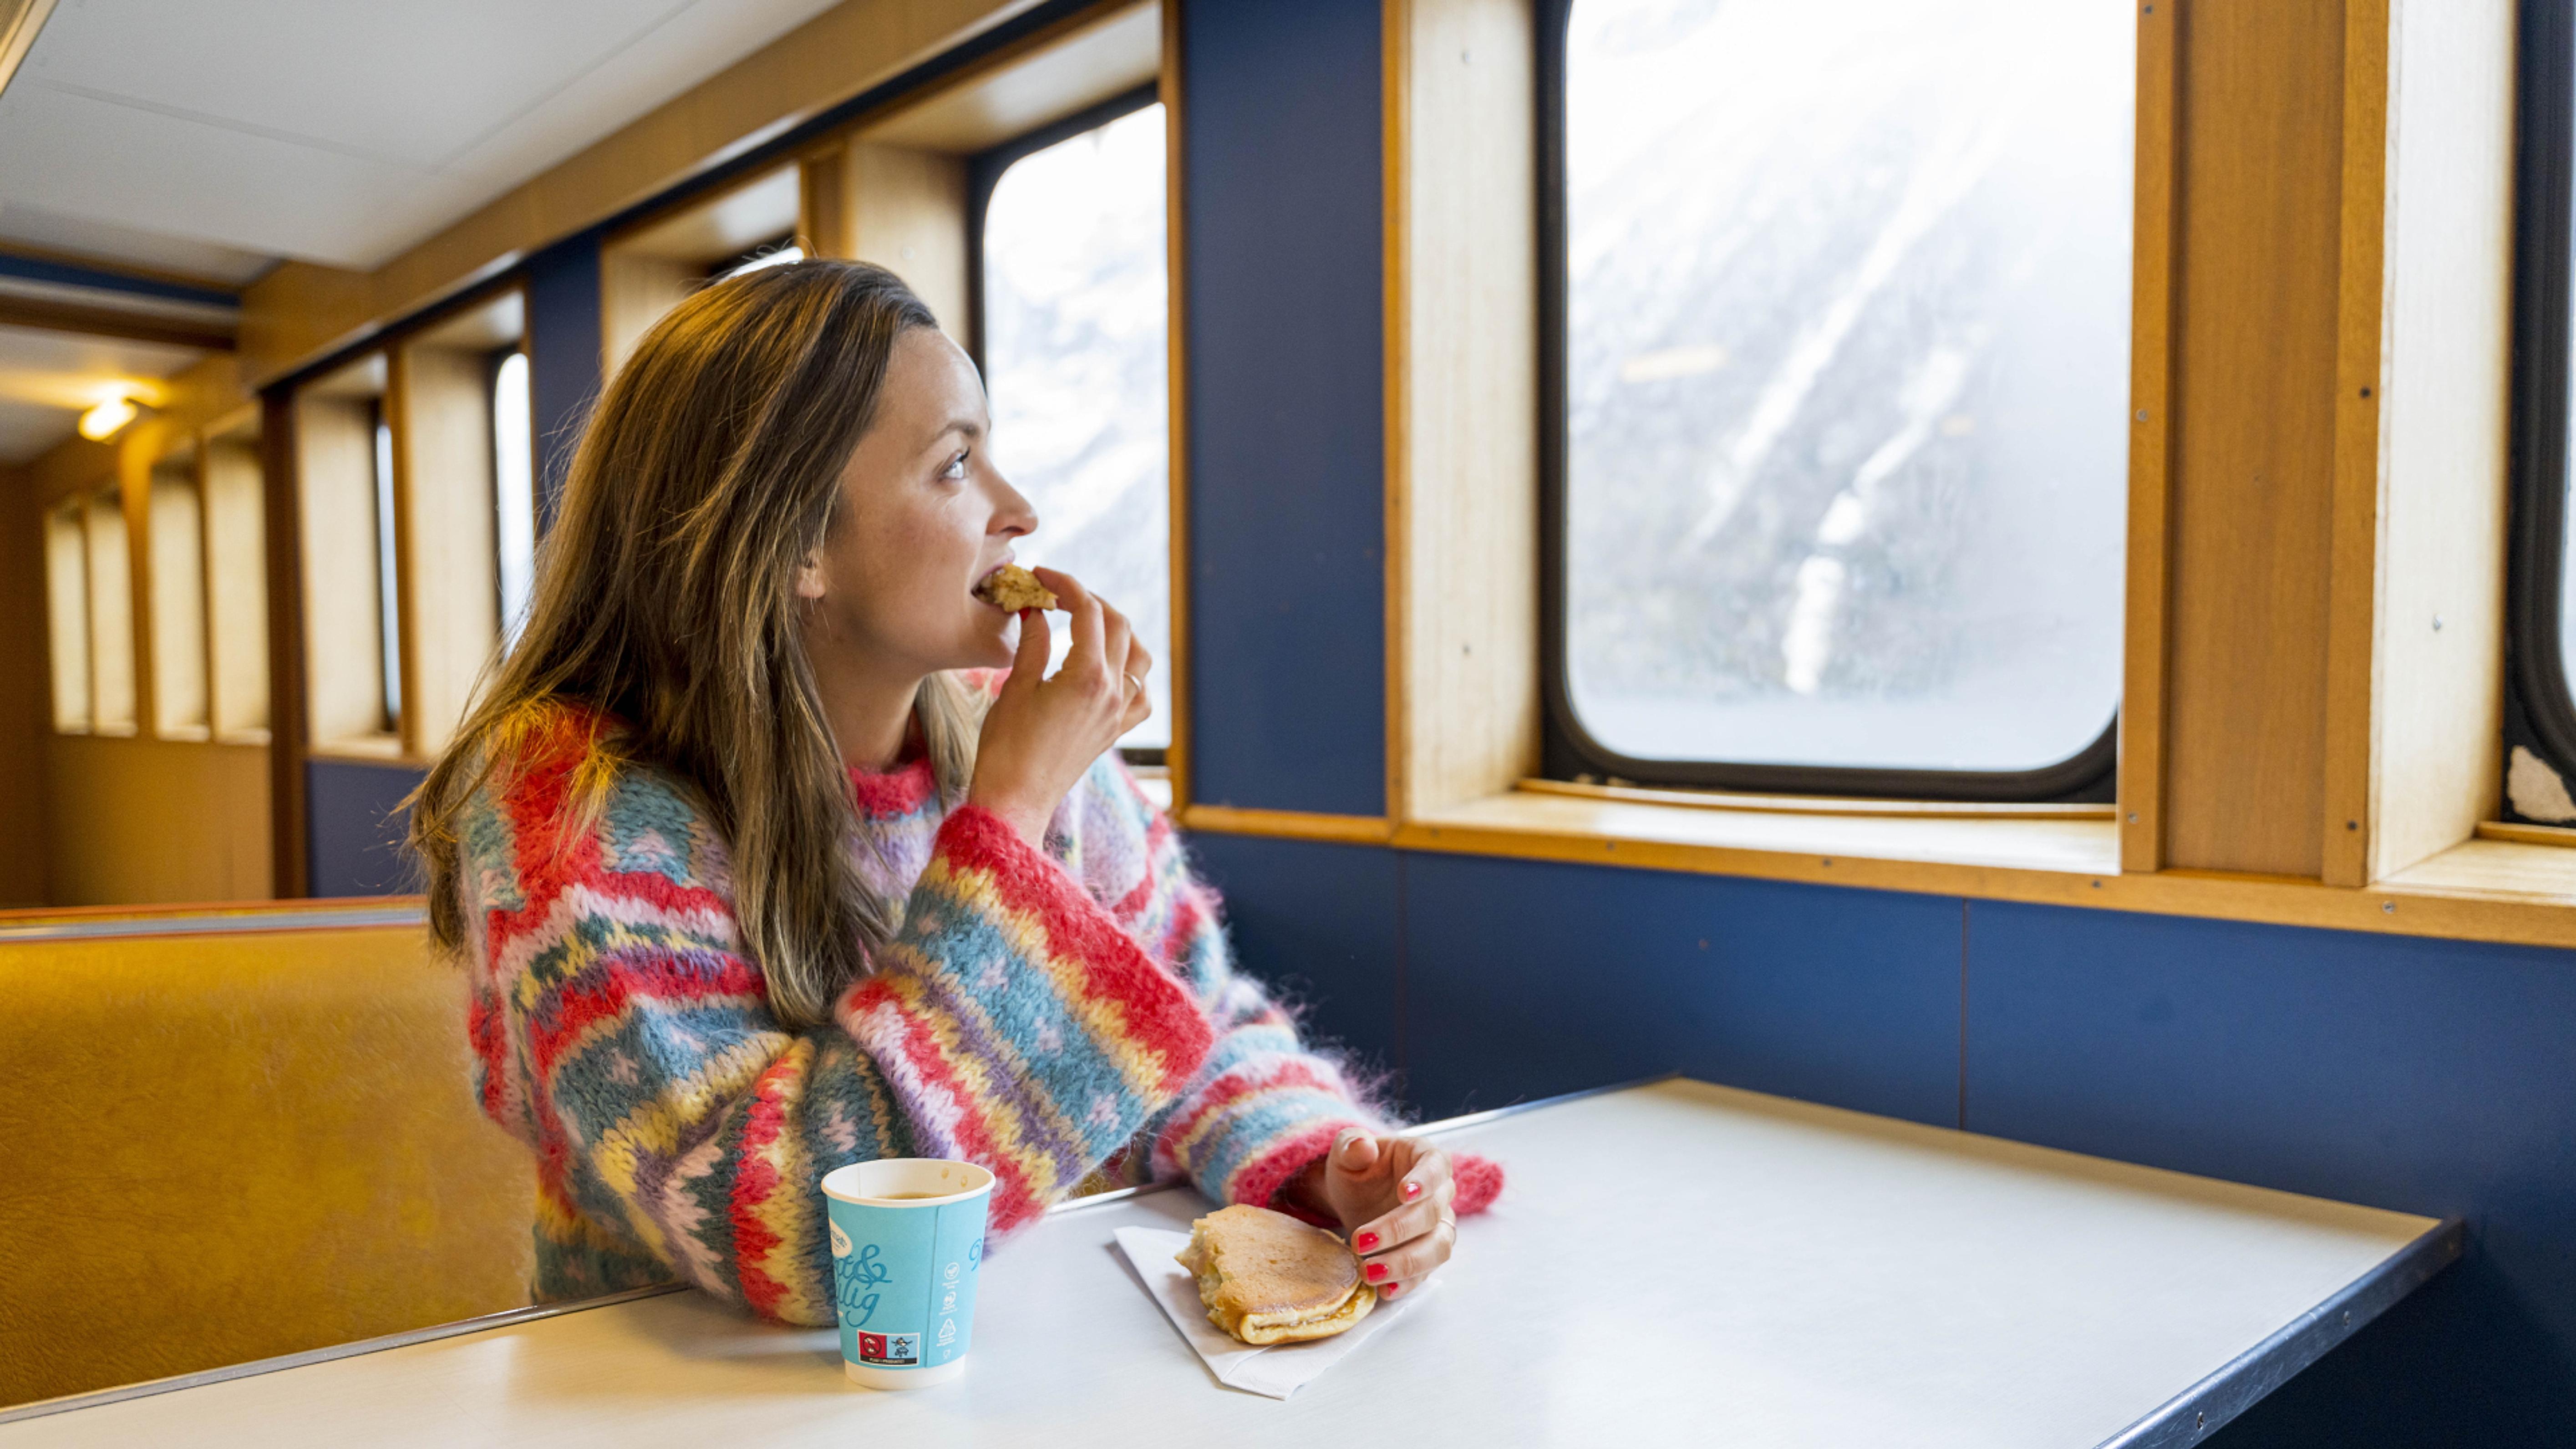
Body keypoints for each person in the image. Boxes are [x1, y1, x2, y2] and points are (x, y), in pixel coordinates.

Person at [408, 259, 1499, 1327]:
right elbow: (798, 1237)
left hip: (1005, 1357)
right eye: (953, 465)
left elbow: (1196, 1018)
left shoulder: (1008, 726)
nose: (1017, 509)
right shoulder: (569, 807)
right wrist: (1010, 823)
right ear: (796, 543)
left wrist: (1318, 1162)